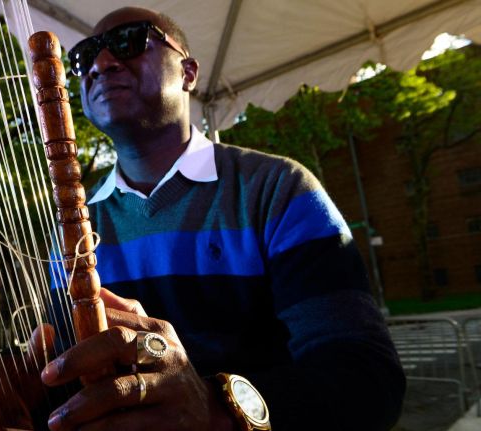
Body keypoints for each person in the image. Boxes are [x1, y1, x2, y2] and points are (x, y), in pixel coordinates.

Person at [39, 6, 405, 431]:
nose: (102, 63)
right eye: (85, 56)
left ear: (189, 72)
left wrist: (215, 408)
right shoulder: (74, 228)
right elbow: (67, 381)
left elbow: (366, 381)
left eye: (130, 41)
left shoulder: (277, 189)